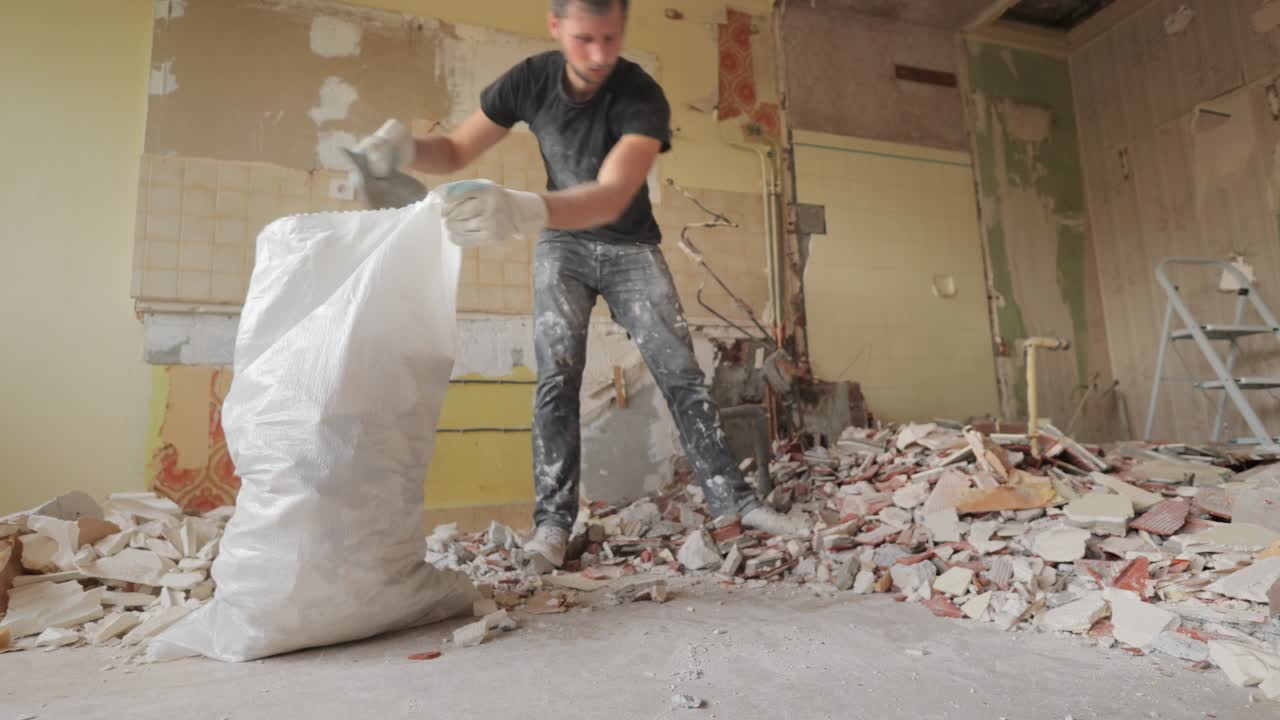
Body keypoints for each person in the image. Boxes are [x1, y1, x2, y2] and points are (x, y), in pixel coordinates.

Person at [351, 0, 808, 568]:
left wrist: (524, 208)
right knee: (556, 380)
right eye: (584, 39)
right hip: (562, 247)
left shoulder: (641, 95)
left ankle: (734, 504)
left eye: (610, 39)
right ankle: (552, 526)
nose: (597, 55)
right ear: (556, 28)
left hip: (631, 247)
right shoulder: (530, 81)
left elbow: (615, 193)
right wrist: (404, 148)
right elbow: (455, 149)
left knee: (681, 374)